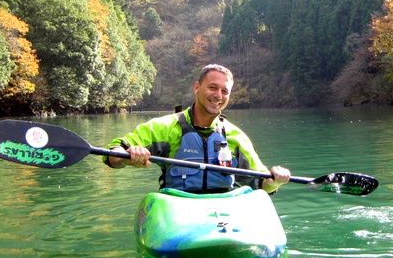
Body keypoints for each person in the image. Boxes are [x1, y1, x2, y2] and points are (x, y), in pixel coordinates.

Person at [105, 64, 291, 194]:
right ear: (197, 87)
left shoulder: (235, 136)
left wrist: (276, 182)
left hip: (224, 210)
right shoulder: (165, 127)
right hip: (179, 206)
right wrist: (127, 156)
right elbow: (113, 152)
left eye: (224, 91)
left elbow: (261, 183)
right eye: (212, 87)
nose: (218, 95)